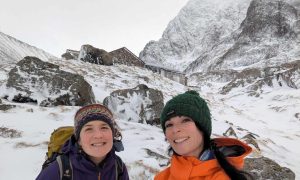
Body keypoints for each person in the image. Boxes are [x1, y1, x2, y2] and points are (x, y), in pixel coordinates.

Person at [155, 91, 253, 180]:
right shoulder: (161, 177)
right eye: (169, 125)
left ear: (202, 128)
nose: (175, 129)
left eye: (185, 120)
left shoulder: (224, 177)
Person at [36, 104, 129, 180]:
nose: (98, 135)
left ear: (113, 135)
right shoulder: (57, 171)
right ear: (78, 139)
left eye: (104, 127)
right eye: (89, 129)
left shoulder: (118, 168)